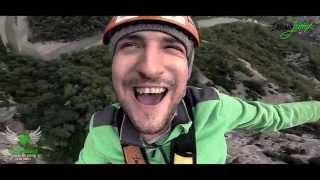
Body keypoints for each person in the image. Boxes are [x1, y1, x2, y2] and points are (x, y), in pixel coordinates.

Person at [76, 16, 320, 164]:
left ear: (188, 70)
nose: (150, 68)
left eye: (172, 48)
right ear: (113, 67)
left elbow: (274, 117)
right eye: (130, 46)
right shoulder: (102, 132)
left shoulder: (213, 110)